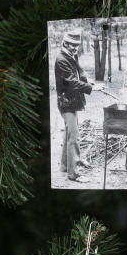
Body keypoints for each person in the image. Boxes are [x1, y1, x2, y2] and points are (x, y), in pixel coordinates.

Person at [54, 32, 97, 183]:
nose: (74, 48)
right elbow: (72, 82)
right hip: (66, 103)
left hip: (72, 101)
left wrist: (89, 81)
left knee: (68, 134)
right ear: (65, 43)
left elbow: (80, 72)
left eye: (76, 45)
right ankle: (74, 174)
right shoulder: (61, 60)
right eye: (72, 45)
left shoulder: (72, 56)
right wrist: (91, 88)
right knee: (74, 137)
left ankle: (65, 166)